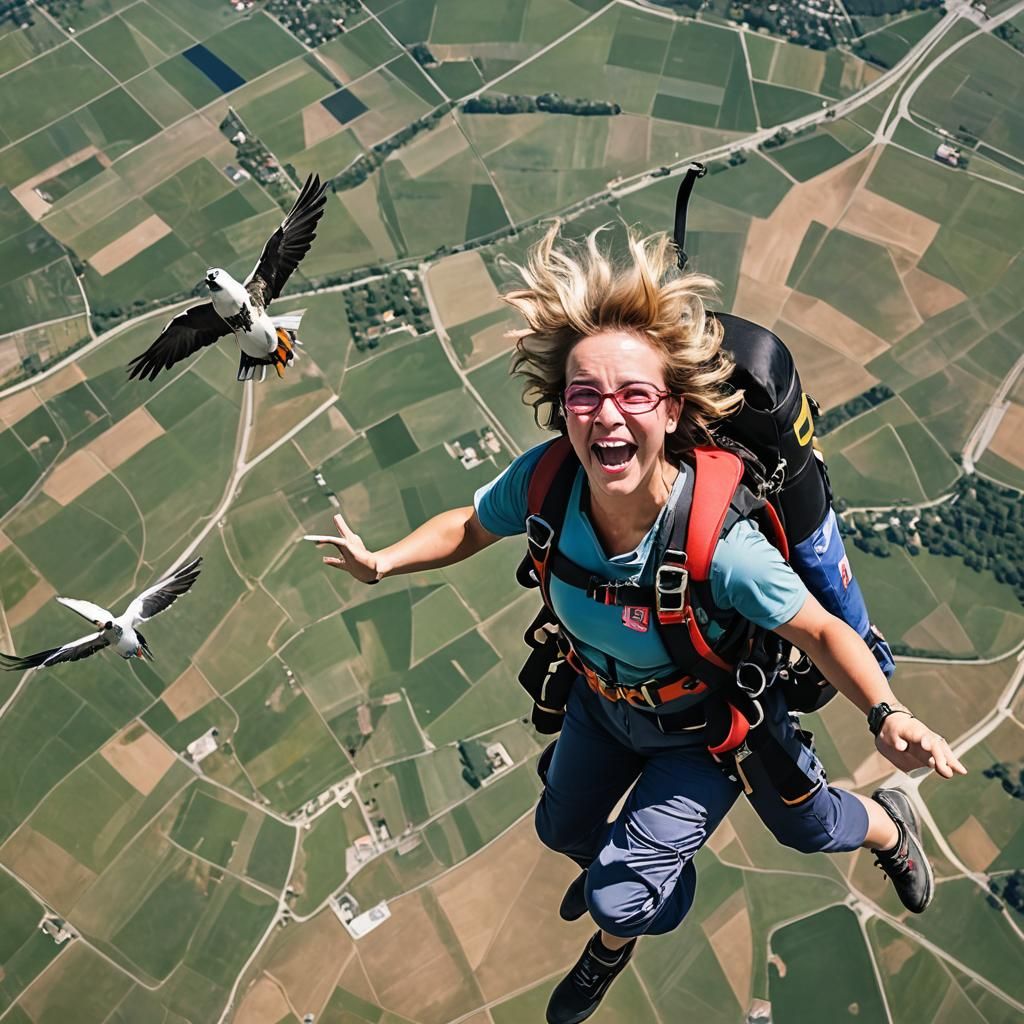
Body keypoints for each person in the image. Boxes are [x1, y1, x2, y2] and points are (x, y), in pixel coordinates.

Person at [316, 224, 967, 1024]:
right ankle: (628, 896)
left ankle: (882, 832)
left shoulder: (721, 548)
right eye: (585, 394)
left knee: (802, 829)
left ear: (672, 410)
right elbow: (470, 525)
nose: (607, 415)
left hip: (707, 729)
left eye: (634, 394)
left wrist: (886, 714)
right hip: (602, 703)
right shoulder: (548, 483)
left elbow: (822, 634)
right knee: (562, 829)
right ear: (562, 409)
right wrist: (384, 561)